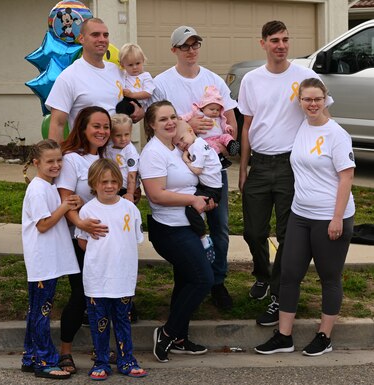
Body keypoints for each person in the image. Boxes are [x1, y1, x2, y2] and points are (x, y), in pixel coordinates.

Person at [238, 20, 333, 326]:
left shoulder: (305, 76)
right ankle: (263, 275)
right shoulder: (252, 80)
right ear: (262, 43)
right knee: (253, 231)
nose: (281, 45)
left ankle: (279, 292)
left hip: (294, 166)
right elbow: (247, 127)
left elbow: (322, 113)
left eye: (285, 39)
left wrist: (329, 155)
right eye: (274, 40)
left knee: (288, 235)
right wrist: (243, 168)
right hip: (261, 164)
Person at [254, 77, 355, 356]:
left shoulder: (337, 134)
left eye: (317, 99)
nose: (312, 104)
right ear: (300, 102)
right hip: (300, 214)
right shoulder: (300, 127)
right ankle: (284, 336)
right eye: (307, 99)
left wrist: (337, 218)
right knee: (289, 274)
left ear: (326, 99)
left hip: (330, 217)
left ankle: (324, 336)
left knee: (329, 278)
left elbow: (346, 178)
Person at [152, 25, 238, 310]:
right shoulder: (162, 83)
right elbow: (156, 123)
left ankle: (217, 282)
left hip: (213, 167)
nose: (191, 50)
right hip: (181, 169)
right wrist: (188, 126)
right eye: (185, 46)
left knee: (219, 226)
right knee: (188, 226)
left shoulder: (213, 80)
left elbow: (230, 120)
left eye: (195, 44)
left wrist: (227, 143)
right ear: (174, 50)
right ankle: (189, 279)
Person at [139, 101, 214, 363]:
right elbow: (156, 195)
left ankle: (179, 337)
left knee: (185, 281)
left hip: (189, 225)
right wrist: (192, 201)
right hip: (170, 229)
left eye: (172, 117)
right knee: (203, 279)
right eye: (162, 119)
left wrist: (203, 198)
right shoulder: (153, 153)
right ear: (151, 125)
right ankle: (168, 332)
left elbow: (187, 184)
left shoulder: (176, 148)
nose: (170, 122)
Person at [75, 158, 147, 380]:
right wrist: (101, 257)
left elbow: (134, 239)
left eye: (114, 181)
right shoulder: (87, 211)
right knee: (99, 322)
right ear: (93, 184)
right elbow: (83, 242)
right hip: (97, 279)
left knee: (123, 320)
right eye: (103, 181)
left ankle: (127, 360)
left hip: (123, 278)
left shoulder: (130, 209)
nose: (109, 186)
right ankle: (101, 361)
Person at [54, 106, 111, 374]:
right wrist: (80, 223)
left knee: (102, 295)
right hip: (78, 238)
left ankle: (101, 349)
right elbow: (66, 201)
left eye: (106, 127)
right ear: (83, 128)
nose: (102, 131)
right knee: (80, 294)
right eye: (96, 126)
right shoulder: (72, 159)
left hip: (105, 240)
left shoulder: (107, 157)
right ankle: (65, 351)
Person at [21, 139, 81, 379]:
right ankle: (44, 361)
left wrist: (70, 204)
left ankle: (30, 356)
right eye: (50, 161)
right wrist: (65, 206)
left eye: (59, 160)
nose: (56, 165)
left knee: (37, 310)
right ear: (37, 163)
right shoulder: (37, 189)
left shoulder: (49, 186)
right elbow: (44, 224)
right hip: (42, 262)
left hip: (50, 261)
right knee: (41, 312)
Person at [46, 18, 144, 143]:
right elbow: (57, 124)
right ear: (81, 39)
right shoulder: (68, 77)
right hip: (86, 156)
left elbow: (137, 97)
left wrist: (140, 112)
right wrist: (57, 160)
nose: (102, 39)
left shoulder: (118, 71)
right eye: (95, 35)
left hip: (119, 154)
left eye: (105, 35)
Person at [173, 119, 222, 262]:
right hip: (209, 186)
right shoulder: (200, 143)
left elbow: (198, 170)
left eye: (182, 140)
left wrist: (186, 160)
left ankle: (204, 239)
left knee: (190, 208)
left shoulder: (197, 147)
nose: (182, 145)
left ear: (191, 131)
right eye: (178, 144)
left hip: (211, 190)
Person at [181, 85, 240, 168]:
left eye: (218, 110)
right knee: (212, 146)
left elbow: (224, 124)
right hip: (206, 140)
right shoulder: (198, 114)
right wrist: (181, 119)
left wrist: (227, 128)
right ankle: (220, 159)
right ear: (203, 107)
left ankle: (231, 146)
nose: (215, 112)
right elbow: (186, 117)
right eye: (212, 109)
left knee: (226, 136)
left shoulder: (219, 118)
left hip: (219, 137)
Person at [105, 113, 141, 204]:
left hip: (127, 188)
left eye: (126, 134)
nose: (123, 138)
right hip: (112, 186)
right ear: (111, 134)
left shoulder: (130, 150)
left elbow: (132, 174)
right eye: (118, 135)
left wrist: (130, 193)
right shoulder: (108, 148)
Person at [115, 43, 155, 115]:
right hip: (124, 99)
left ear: (143, 61)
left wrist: (132, 95)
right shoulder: (123, 74)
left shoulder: (145, 76)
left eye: (137, 63)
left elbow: (148, 93)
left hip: (137, 102)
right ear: (122, 65)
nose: (135, 67)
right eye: (130, 65)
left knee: (122, 108)